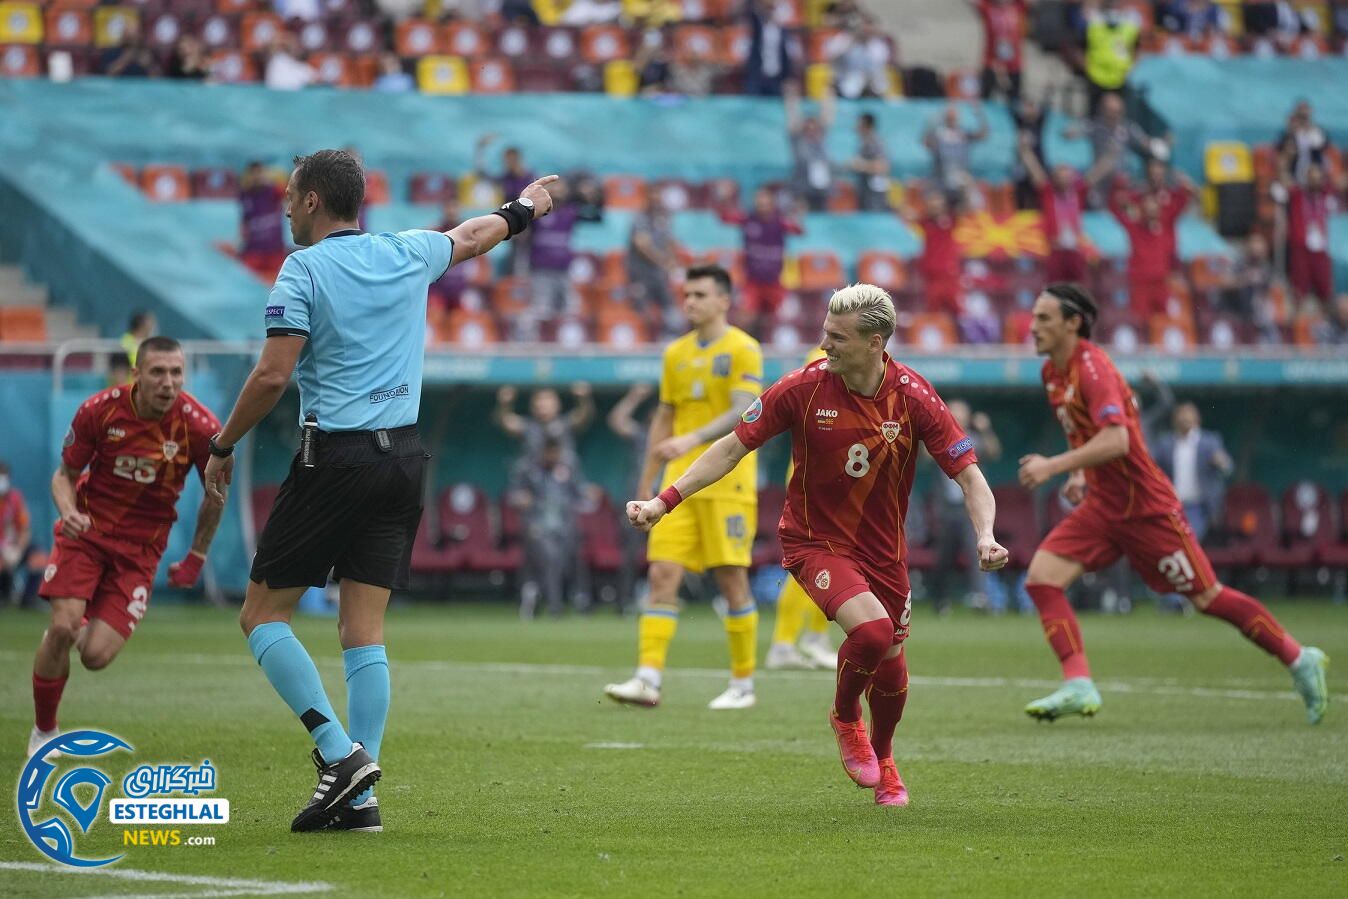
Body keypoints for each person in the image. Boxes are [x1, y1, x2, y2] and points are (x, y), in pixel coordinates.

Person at [202, 148, 559, 832]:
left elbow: (274, 375)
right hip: (404, 459)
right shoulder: (407, 251)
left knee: (259, 614)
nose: (281, 206)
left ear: (311, 201)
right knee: (362, 630)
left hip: (335, 459)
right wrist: (525, 209)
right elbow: (474, 235)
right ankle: (360, 799)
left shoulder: (302, 268)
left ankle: (339, 754)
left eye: (288, 195)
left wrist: (223, 445)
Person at [627, 284, 1009, 806]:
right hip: (814, 540)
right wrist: (663, 501)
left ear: (876, 342)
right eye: (824, 332)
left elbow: (970, 476)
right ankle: (845, 716)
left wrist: (985, 536)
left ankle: (887, 758)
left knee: (893, 660)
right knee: (873, 634)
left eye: (838, 337)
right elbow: (730, 448)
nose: (824, 344)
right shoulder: (801, 388)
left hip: (883, 551)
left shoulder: (915, 396)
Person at [1015, 283, 1329, 724]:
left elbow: (1118, 438)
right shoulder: (1053, 372)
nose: (1033, 327)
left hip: (1147, 509)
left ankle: (1299, 658)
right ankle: (1078, 682)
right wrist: (1078, 473)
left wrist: (1053, 466)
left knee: (1207, 598)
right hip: (1105, 506)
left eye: (1044, 318)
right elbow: (1084, 432)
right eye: (1034, 317)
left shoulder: (1095, 369)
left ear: (1073, 323)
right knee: (1042, 579)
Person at [28, 337, 225, 758]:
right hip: (86, 533)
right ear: (137, 374)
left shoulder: (201, 427)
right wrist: (67, 512)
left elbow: (215, 497)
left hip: (140, 551)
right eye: (158, 372)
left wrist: (197, 556)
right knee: (63, 626)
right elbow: (63, 475)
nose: (168, 382)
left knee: (96, 657)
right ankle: (45, 732)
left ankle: (72, 629)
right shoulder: (99, 410)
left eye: (176, 373)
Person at [603, 265, 765, 711]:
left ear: (723, 301)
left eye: (699, 294)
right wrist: (646, 484)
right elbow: (663, 417)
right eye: (686, 294)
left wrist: (694, 439)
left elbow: (743, 410)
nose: (689, 301)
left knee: (731, 579)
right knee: (662, 574)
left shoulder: (744, 349)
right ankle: (647, 679)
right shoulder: (675, 353)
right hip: (676, 483)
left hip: (726, 483)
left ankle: (743, 684)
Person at [764, 346, 836, 671]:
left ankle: (810, 637)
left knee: (835, 560)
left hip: (831, 480)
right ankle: (787, 642)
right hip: (812, 481)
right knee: (811, 561)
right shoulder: (820, 361)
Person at [928, 401, 1003, 614]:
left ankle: (980, 598)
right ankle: (940, 601)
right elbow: (924, 455)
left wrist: (985, 428)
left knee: (976, 550)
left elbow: (994, 451)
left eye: (961, 415)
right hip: (945, 509)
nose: (958, 418)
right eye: (954, 414)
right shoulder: (938, 436)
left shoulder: (972, 439)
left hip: (968, 507)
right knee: (943, 558)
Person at [508, 437, 592, 618]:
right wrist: (521, 499)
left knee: (566, 563)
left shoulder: (566, 471)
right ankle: (555, 607)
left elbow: (581, 496)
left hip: (564, 527)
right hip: (537, 527)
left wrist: (588, 494)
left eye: (556, 453)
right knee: (551, 559)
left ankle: (538, 595)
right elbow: (513, 496)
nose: (553, 456)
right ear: (542, 452)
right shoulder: (528, 471)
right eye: (550, 452)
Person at [1107, 174, 1195, 320]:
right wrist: (1119, 190)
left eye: (1154, 207)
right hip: (1140, 283)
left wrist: (1184, 187)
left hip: (1161, 282)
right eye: (1147, 208)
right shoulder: (1134, 227)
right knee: (1141, 321)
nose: (1151, 210)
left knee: (1163, 320)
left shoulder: (1166, 225)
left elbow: (1182, 202)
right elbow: (1115, 209)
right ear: (1141, 210)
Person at [718, 187, 804, 337]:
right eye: (759, 201)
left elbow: (798, 230)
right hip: (753, 282)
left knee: (784, 320)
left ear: (772, 204)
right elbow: (725, 217)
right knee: (744, 317)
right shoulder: (747, 220)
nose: (762, 205)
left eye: (766, 202)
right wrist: (725, 199)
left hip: (774, 283)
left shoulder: (781, 223)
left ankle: (776, 352)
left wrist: (798, 212)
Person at [1018, 142, 1088, 283]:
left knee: (1077, 290)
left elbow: (1096, 175)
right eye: (1060, 176)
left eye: (1067, 176)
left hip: (1074, 250)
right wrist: (1025, 151)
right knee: (1054, 288)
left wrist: (1111, 156)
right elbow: (1035, 171)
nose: (1064, 179)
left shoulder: (1078, 193)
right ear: (1054, 178)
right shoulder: (1048, 193)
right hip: (1055, 249)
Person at [495, 383, 594, 467]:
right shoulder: (528, 426)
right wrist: (504, 404)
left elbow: (584, 416)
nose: (542, 405)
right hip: (533, 478)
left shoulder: (565, 423)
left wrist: (583, 399)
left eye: (547, 400)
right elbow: (506, 421)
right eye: (539, 401)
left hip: (564, 478)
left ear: (557, 404)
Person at [1279, 165, 1338, 302]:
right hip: (1301, 246)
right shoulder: (1297, 195)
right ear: (1306, 179)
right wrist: (1285, 161)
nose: (1315, 181)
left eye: (1318, 178)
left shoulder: (1328, 195)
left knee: (1325, 290)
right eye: (1312, 178)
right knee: (1299, 290)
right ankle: (1298, 321)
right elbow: (1282, 182)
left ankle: (1329, 321)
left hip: (1322, 248)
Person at [923, 101, 989, 213]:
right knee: (935, 201)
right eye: (949, 118)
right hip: (941, 178)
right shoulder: (939, 134)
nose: (952, 120)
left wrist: (980, 115)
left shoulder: (963, 133)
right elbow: (926, 142)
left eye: (954, 118)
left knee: (975, 202)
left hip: (961, 177)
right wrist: (932, 123)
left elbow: (983, 135)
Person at [627, 195, 681, 332]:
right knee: (642, 310)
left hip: (660, 277)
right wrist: (662, 261)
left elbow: (669, 242)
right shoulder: (640, 220)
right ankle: (643, 337)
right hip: (640, 275)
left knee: (671, 310)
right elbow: (642, 245)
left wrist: (673, 261)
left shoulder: (663, 220)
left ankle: (670, 336)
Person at [905, 191, 962, 318]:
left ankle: (960, 336)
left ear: (944, 205)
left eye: (938, 203)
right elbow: (908, 216)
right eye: (932, 204)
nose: (935, 206)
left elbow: (967, 206)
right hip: (931, 276)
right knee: (932, 310)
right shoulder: (924, 222)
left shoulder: (951, 220)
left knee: (957, 312)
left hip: (949, 274)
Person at [1080, 0, 1141, 115]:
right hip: (1095, 77)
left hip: (1122, 78)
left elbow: (1136, 48)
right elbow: (1082, 46)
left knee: (1119, 117)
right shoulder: (1093, 22)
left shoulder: (1131, 24)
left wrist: (1133, 68)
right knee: (1094, 117)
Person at [786, 83, 838, 212]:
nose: (811, 130)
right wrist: (791, 99)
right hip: (803, 191)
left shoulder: (822, 142)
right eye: (808, 127)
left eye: (815, 127)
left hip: (822, 192)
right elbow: (793, 120)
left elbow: (827, 118)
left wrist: (828, 97)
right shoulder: (799, 141)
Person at [969, 0, 1028, 102]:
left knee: (1014, 97)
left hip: (1014, 63)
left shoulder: (1017, 8)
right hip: (992, 61)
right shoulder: (988, 9)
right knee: (985, 96)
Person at [239, 162, 289, 279]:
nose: (256, 177)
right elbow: (244, 222)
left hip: (275, 251)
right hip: (253, 252)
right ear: (248, 176)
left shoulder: (274, 191)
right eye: (253, 174)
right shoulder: (245, 195)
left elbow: (291, 194)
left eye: (259, 173)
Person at [1, 461, 40, 606]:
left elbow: (25, 529)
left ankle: (28, 599)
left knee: (38, 558)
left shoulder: (15, 499)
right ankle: (4, 596)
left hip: (14, 547)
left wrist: (18, 550)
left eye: (3, 476)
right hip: (1, 551)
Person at [1277, 100, 1333, 185]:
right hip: (1295, 170)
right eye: (1301, 114)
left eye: (1305, 112)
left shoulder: (1317, 131)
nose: (1304, 116)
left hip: (1314, 170)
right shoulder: (1290, 134)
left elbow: (1321, 146)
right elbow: (1283, 151)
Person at [849, 112, 891, 212]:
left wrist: (860, 165)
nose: (856, 127)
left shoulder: (875, 143)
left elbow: (883, 166)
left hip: (874, 192)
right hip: (865, 190)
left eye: (859, 124)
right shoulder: (864, 142)